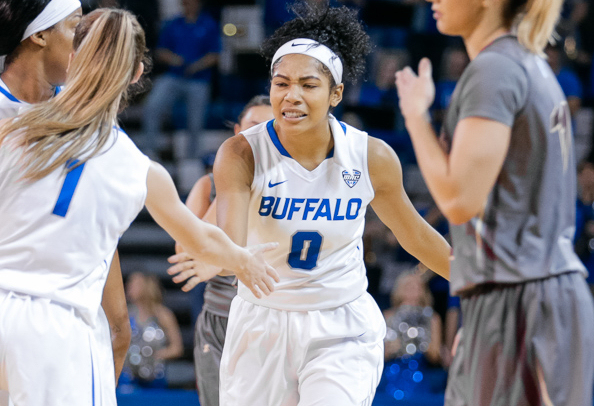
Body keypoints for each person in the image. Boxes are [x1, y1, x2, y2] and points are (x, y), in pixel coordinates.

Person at [172, 3, 450, 405]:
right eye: (281, 83)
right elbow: (231, 238)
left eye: (308, 84)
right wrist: (229, 258)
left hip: (340, 322)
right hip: (263, 320)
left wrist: (476, 281)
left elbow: (414, 234)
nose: (291, 96)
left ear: (336, 92)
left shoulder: (371, 156)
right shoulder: (241, 153)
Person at [0, 8, 276, 406]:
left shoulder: (14, 126)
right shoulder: (138, 168)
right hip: (57, 332)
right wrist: (244, 261)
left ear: (74, 58)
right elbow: (201, 240)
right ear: (135, 76)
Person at [394, 0, 594, 401]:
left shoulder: (495, 69)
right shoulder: (527, 64)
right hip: (526, 296)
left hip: (521, 300)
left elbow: (458, 198)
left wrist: (416, 115)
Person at [0, 1, 129, 405]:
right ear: (39, 35)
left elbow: (99, 216)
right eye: (76, 27)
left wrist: (118, 321)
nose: (86, 43)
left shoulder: (89, 116)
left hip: (71, 304)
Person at [169, 95, 273, 406]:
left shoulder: (286, 185)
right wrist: (229, 181)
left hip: (267, 319)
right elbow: (185, 253)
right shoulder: (208, 185)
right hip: (219, 318)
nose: (260, 138)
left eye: (270, 129)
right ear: (238, 130)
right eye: (254, 128)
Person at [141, 0, 220, 159]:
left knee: (195, 123)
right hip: (174, 76)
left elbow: (215, 55)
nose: (188, 5)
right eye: (185, 2)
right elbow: (160, 52)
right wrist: (175, 60)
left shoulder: (209, 24)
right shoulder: (173, 24)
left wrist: (197, 65)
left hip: (199, 79)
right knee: (151, 107)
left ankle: (192, 160)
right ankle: (150, 151)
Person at [121, 272, 183, 388]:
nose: (129, 287)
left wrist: (154, 355)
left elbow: (177, 348)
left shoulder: (163, 314)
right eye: (129, 283)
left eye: (135, 284)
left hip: (155, 376)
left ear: (146, 286)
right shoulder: (125, 314)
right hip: (128, 377)